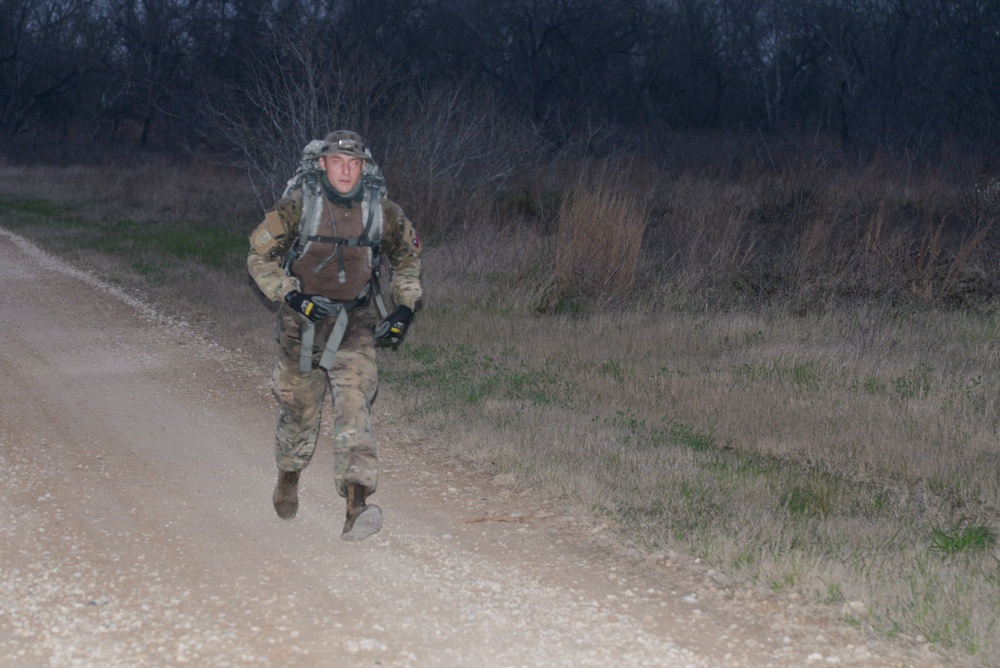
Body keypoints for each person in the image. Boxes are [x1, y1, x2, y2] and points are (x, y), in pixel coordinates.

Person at [247, 130, 422, 541]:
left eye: (354, 163)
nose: (346, 171)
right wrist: (292, 296)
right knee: (300, 410)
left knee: (355, 404)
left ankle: (356, 504)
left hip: (354, 321)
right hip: (302, 323)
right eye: (338, 162)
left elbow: (407, 262)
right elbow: (259, 257)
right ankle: (288, 475)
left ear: (364, 167)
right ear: (323, 164)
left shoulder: (384, 213)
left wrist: (402, 308)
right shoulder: (296, 207)